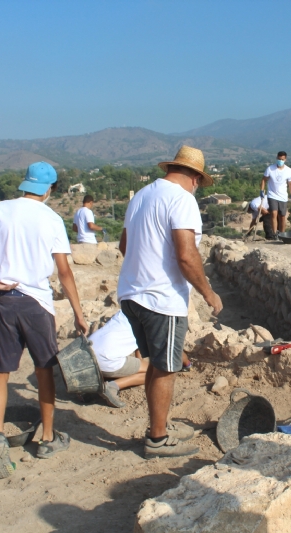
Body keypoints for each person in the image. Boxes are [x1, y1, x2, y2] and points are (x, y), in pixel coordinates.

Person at [0, 161, 88, 479]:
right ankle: (47, 438)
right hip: (36, 305)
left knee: (0, 372)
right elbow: (64, 272)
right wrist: (78, 313)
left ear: (25, 184)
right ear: (50, 189)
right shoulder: (52, 219)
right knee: (44, 370)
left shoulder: (1, 209)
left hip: (3, 301)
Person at [118, 145, 223, 458]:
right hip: (162, 300)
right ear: (193, 177)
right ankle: (158, 439)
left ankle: (158, 425)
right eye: (198, 183)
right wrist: (208, 292)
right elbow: (186, 255)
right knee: (167, 370)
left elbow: (125, 245)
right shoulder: (182, 200)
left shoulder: (140, 195)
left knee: (156, 366)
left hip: (132, 294)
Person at [89, 311, 148, 408]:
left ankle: (91, 386)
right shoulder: (148, 317)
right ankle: (112, 386)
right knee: (153, 372)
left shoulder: (124, 310)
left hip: (87, 354)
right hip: (106, 359)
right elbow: (139, 348)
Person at [260, 151, 291, 237]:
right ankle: (275, 233)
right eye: (279, 159)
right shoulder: (270, 169)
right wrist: (261, 189)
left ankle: (282, 234)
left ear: (285, 159)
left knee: (282, 216)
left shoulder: (289, 170)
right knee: (273, 214)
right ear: (277, 158)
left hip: (283, 196)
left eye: (282, 159)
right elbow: (264, 179)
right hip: (272, 195)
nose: (280, 161)